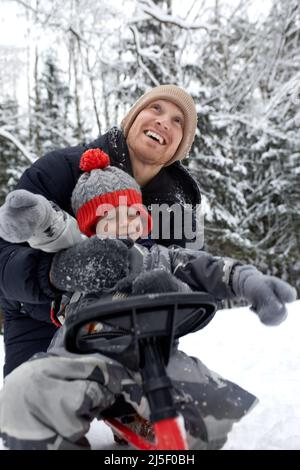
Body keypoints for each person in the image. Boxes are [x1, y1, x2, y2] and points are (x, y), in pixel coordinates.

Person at [0, 85, 296, 450]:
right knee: (25, 401)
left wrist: (246, 281)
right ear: (132, 118)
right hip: (50, 329)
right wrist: (58, 269)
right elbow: (48, 231)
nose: (164, 122)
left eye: (178, 122)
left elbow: (198, 267)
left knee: (205, 418)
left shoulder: (172, 215)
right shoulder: (62, 172)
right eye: (154, 108)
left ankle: (152, 431)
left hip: (140, 349)